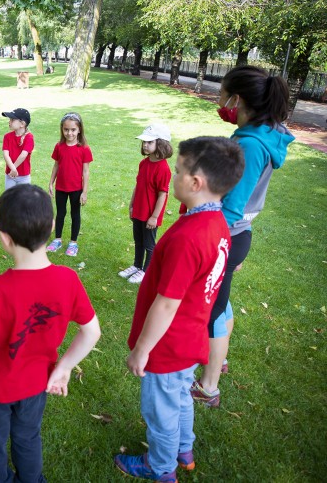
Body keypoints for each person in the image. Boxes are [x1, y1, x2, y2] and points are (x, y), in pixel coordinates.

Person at [114, 136, 244, 482]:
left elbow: (168, 302)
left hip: (168, 346)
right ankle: (184, 449)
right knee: (182, 399)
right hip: (191, 339)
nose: (172, 177)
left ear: (196, 183)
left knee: (161, 411)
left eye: (178, 171)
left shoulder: (191, 236)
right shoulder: (217, 225)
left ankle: (161, 467)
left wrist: (143, 350)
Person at [0, 184, 101, 482]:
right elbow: (91, 332)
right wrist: (64, 367)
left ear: (4, 239)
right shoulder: (68, 280)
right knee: (28, 436)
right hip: (36, 385)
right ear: (50, 228)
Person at [191, 66, 293, 408]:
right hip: (234, 238)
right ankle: (218, 361)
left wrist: (202, 234)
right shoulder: (262, 133)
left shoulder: (250, 144)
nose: (220, 102)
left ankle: (208, 386)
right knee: (222, 300)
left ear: (238, 99)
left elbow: (232, 208)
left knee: (213, 308)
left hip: (226, 236)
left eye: (223, 95)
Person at [118, 124, 173, 284]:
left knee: (149, 244)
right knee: (139, 240)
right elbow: (138, 185)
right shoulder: (144, 164)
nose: (145, 145)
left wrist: (154, 217)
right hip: (139, 210)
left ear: (161, 144)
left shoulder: (163, 169)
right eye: (144, 142)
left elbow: (163, 194)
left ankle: (146, 271)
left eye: (149, 142)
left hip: (150, 215)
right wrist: (131, 205)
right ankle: (136, 265)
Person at [46, 112, 93, 257]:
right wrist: (51, 182)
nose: (69, 133)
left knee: (75, 214)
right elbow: (56, 165)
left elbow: (86, 172)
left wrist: (84, 192)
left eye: (73, 130)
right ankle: (58, 239)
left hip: (76, 189)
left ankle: (73, 243)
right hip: (61, 187)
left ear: (79, 129)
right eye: (66, 129)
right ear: (62, 129)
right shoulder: (59, 146)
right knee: (60, 213)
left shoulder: (84, 148)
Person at [1, 108, 34, 189]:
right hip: (10, 175)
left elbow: (23, 155)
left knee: (23, 200)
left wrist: (13, 168)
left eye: (12, 120)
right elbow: (6, 154)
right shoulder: (7, 137)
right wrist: (12, 169)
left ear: (22, 124)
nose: (9, 122)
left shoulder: (29, 137)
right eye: (10, 119)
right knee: (9, 199)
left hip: (24, 177)